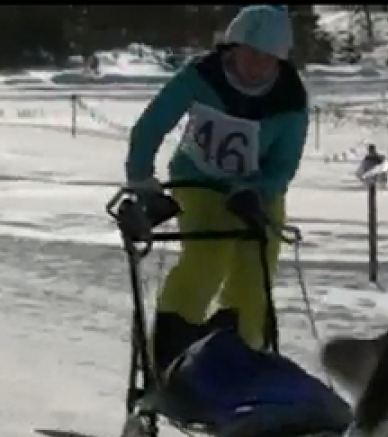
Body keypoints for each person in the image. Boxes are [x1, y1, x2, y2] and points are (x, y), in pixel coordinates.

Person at [123, 5, 309, 377]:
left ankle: (239, 356)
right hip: (199, 179)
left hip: (257, 191)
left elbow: (284, 163)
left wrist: (260, 190)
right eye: (250, 52)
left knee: (256, 271)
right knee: (207, 256)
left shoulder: (290, 97)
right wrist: (142, 180)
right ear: (233, 47)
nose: (257, 64)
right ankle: (171, 350)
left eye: (268, 57)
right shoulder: (200, 76)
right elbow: (150, 127)